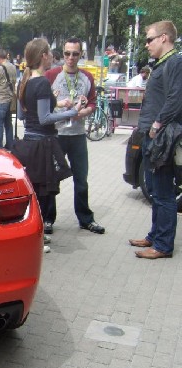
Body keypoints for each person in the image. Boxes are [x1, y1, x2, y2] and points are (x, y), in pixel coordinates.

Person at [12, 38, 83, 251]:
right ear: (43, 56)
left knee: (35, 193)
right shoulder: (41, 82)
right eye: (50, 53)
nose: (53, 57)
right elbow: (44, 118)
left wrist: (56, 104)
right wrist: (73, 111)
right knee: (42, 195)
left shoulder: (25, 81)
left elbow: (26, 115)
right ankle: (35, 238)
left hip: (30, 143)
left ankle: (35, 235)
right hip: (42, 145)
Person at [130, 20, 182, 259]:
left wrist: (156, 124)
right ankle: (155, 235)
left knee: (163, 192)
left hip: (162, 138)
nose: (147, 44)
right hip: (154, 137)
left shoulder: (175, 62)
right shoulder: (163, 63)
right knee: (153, 188)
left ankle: (163, 245)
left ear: (164, 38)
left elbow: (175, 98)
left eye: (150, 39)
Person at [45, 37, 105, 235]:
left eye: (75, 54)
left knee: (81, 178)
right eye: (67, 53)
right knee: (52, 179)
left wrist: (86, 111)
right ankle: (47, 219)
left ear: (81, 55)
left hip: (78, 135)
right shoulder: (51, 75)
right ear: (62, 54)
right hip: (58, 135)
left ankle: (85, 218)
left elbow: (93, 103)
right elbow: (43, 105)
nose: (71, 58)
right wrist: (60, 105)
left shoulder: (87, 77)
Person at [0, 49, 17, 150]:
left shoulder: (0, 69)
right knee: (8, 123)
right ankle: (10, 144)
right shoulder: (13, 67)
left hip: (2, 99)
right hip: (10, 99)